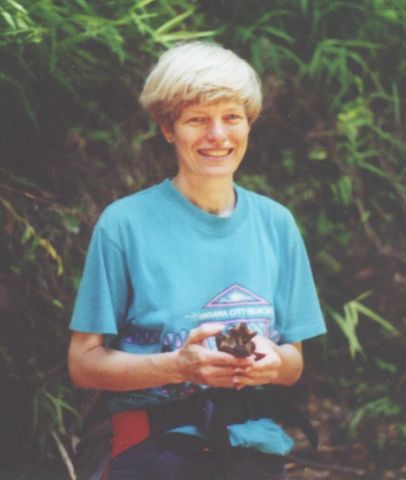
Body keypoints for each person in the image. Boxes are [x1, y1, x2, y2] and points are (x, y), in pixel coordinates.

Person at [68, 41, 326, 480]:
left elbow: (294, 363)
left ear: (249, 124)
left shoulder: (276, 224)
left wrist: (273, 362)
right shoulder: (125, 224)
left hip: (255, 449)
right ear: (169, 128)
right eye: (197, 120)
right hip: (154, 449)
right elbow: (83, 364)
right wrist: (177, 366)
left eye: (231, 117)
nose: (218, 136)